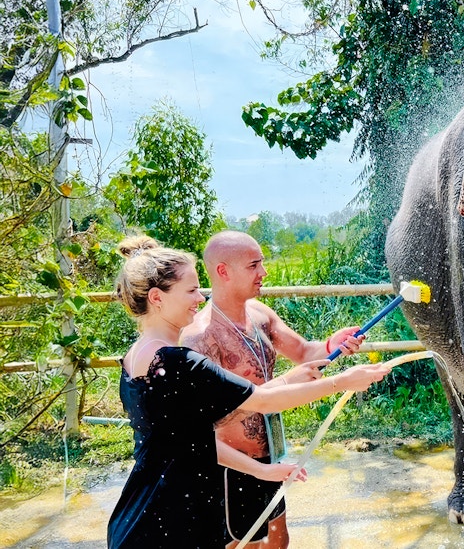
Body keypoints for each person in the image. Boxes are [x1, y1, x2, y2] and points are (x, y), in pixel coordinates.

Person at [107, 234, 390, 549]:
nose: (199, 298)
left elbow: (191, 443)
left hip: (145, 512)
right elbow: (261, 401)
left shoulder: (134, 359)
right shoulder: (181, 357)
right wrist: (342, 382)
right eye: (190, 290)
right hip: (172, 522)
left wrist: (262, 470)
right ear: (158, 298)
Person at [179, 230, 369, 549]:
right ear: (223, 271)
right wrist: (292, 382)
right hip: (233, 468)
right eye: (254, 265)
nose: (263, 273)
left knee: (279, 542)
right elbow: (202, 420)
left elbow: (304, 353)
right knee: (245, 545)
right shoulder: (199, 336)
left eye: (262, 264)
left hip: (272, 455)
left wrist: (331, 344)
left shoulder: (260, 314)